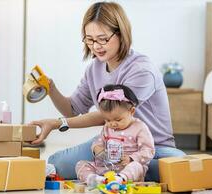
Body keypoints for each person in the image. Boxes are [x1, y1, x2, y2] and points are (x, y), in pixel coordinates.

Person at [29, 1, 185, 182]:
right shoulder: (94, 69)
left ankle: (134, 169)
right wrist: (51, 88)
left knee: (175, 166)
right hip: (111, 142)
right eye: (90, 39)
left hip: (152, 146)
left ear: (121, 33)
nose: (96, 46)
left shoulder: (142, 70)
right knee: (57, 163)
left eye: (102, 39)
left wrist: (58, 124)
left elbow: (109, 114)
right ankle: (119, 173)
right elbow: (72, 109)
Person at [75, 84, 155, 187]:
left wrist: (131, 158)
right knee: (81, 164)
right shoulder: (107, 128)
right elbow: (98, 141)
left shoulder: (139, 127)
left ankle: (120, 179)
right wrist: (97, 148)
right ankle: (96, 180)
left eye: (118, 120)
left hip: (128, 168)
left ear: (132, 111)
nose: (112, 124)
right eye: (107, 120)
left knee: (136, 167)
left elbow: (148, 150)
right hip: (106, 168)